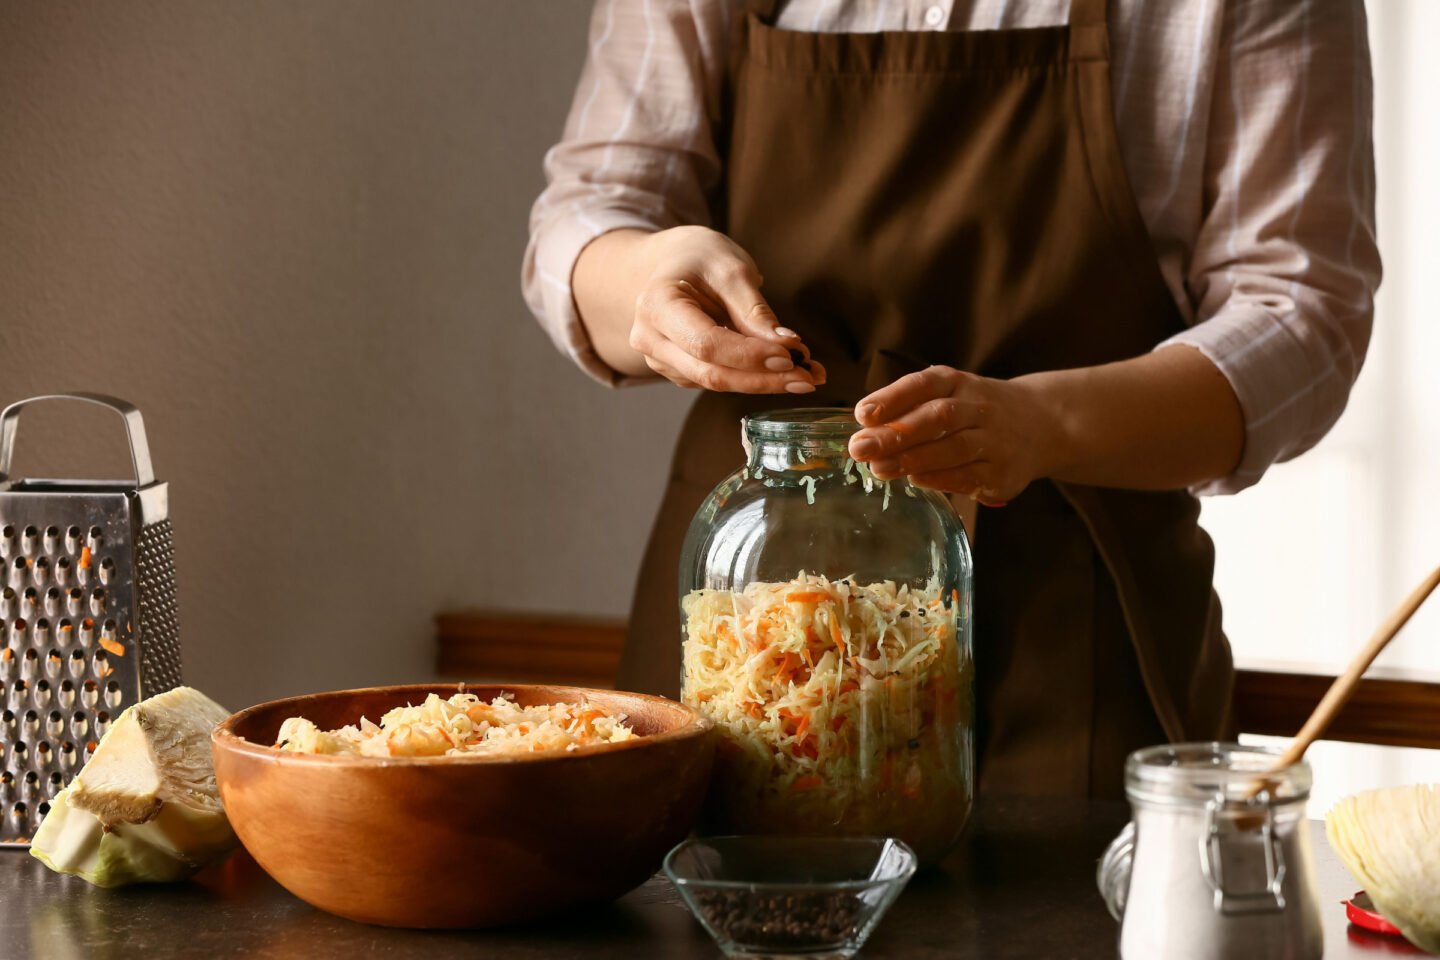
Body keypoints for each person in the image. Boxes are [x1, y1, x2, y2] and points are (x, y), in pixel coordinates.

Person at [522, 0, 1379, 798]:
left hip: (1073, 632)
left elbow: (1305, 315)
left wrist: (1045, 424)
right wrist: (643, 278)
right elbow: (593, 209)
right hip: (739, 604)